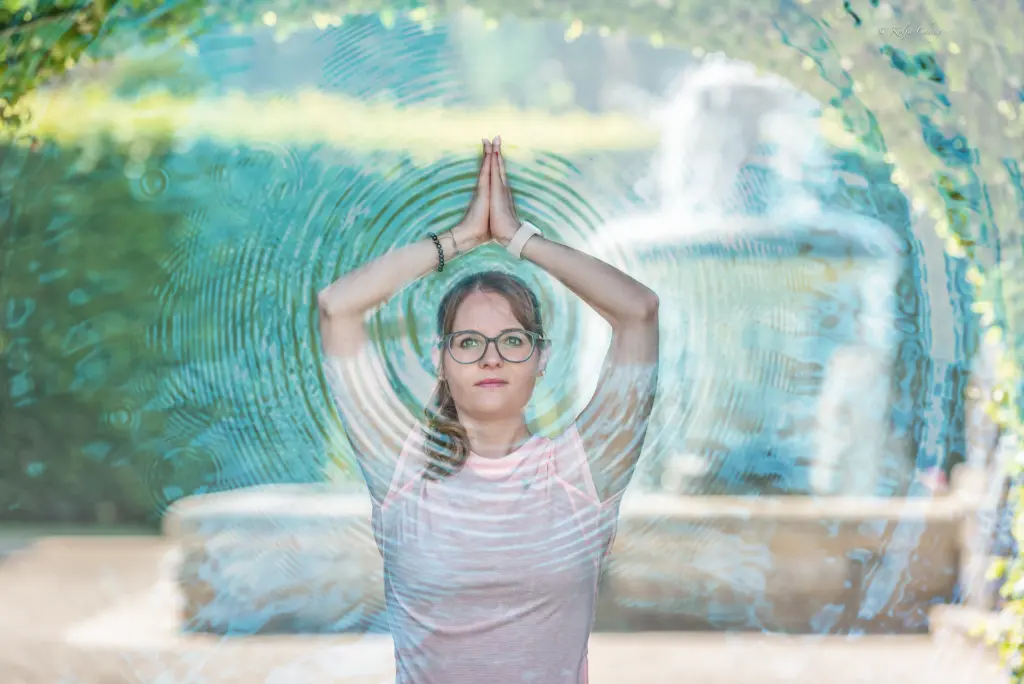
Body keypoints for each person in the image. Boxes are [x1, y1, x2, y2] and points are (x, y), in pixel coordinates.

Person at [317, 136, 660, 683]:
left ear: (540, 358)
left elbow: (638, 311)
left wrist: (519, 239)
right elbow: (337, 308)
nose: (492, 358)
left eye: (513, 341)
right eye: (470, 342)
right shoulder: (401, 471)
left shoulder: (583, 473)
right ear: (442, 360)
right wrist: (462, 238)